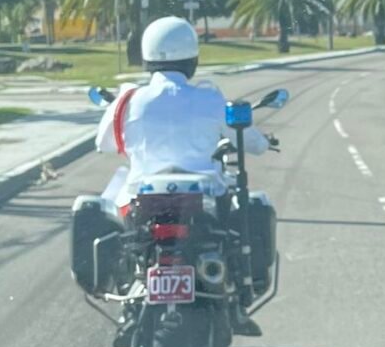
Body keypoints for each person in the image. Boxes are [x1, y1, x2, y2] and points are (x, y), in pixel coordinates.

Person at [96, 16, 271, 208]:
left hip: (141, 199)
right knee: (254, 206)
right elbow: (255, 144)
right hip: (203, 199)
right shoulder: (209, 97)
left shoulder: (128, 99)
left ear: (146, 56)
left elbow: (103, 144)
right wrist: (264, 142)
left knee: (112, 199)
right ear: (192, 59)